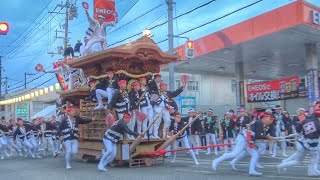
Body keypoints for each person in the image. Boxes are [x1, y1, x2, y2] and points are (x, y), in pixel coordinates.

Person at [276, 106, 320, 177]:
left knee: (298, 160)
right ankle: (311, 171)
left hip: (301, 143)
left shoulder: (306, 120)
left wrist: (300, 133)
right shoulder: (317, 124)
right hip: (309, 145)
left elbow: (298, 128)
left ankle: (281, 165)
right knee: (313, 156)